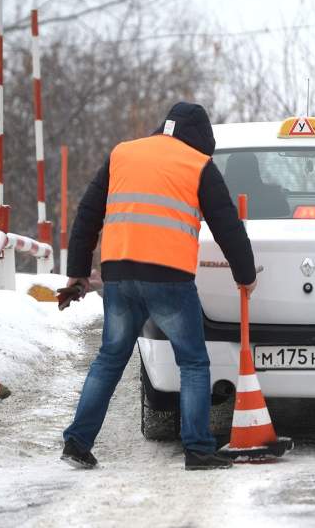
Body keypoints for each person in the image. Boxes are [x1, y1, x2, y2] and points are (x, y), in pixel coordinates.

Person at [60, 102, 256, 471]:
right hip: (169, 278)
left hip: (119, 274)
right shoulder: (198, 165)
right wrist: (245, 274)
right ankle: (198, 449)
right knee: (193, 362)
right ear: (201, 138)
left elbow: (88, 213)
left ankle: (77, 442)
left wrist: (78, 271)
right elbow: (226, 225)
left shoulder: (122, 154)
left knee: (109, 359)